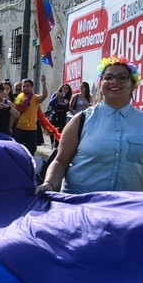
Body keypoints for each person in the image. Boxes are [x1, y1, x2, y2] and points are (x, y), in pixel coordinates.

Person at [36, 56, 142, 194]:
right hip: (81, 206)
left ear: (134, 84)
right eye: (108, 77)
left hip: (130, 210)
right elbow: (61, 161)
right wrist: (49, 184)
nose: (114, 81)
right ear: (100, 83)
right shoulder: (81, 120)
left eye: (122, 77)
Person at [13, 75, 49, 155]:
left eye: (27, 86)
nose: (25, 88)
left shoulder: (35, 98)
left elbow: (44, 96)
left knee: (30, 152)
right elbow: (15, 113)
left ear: (31, 87)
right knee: (17, 151)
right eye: (24, 86)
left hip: (31, 130)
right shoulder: (19, 98)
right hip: (19, 129)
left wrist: (43, 83)